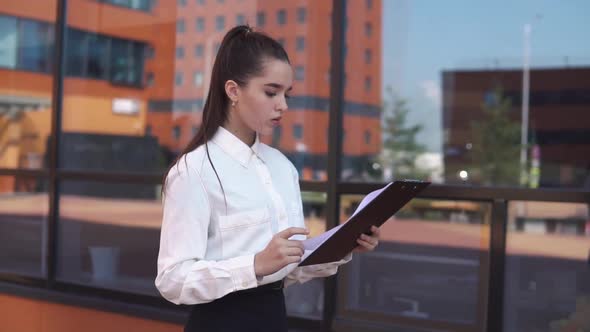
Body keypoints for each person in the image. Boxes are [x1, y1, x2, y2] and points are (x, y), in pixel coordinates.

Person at [155, 25, 381, 332]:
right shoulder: (194, 170)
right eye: (271, 92)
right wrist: (254, 264)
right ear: (233, 90)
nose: (283, 105)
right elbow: (173, 280)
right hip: (219, 323)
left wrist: (343, 247)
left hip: (273, 319)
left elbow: (287, 269)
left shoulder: (282, 167)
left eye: (287, 94)